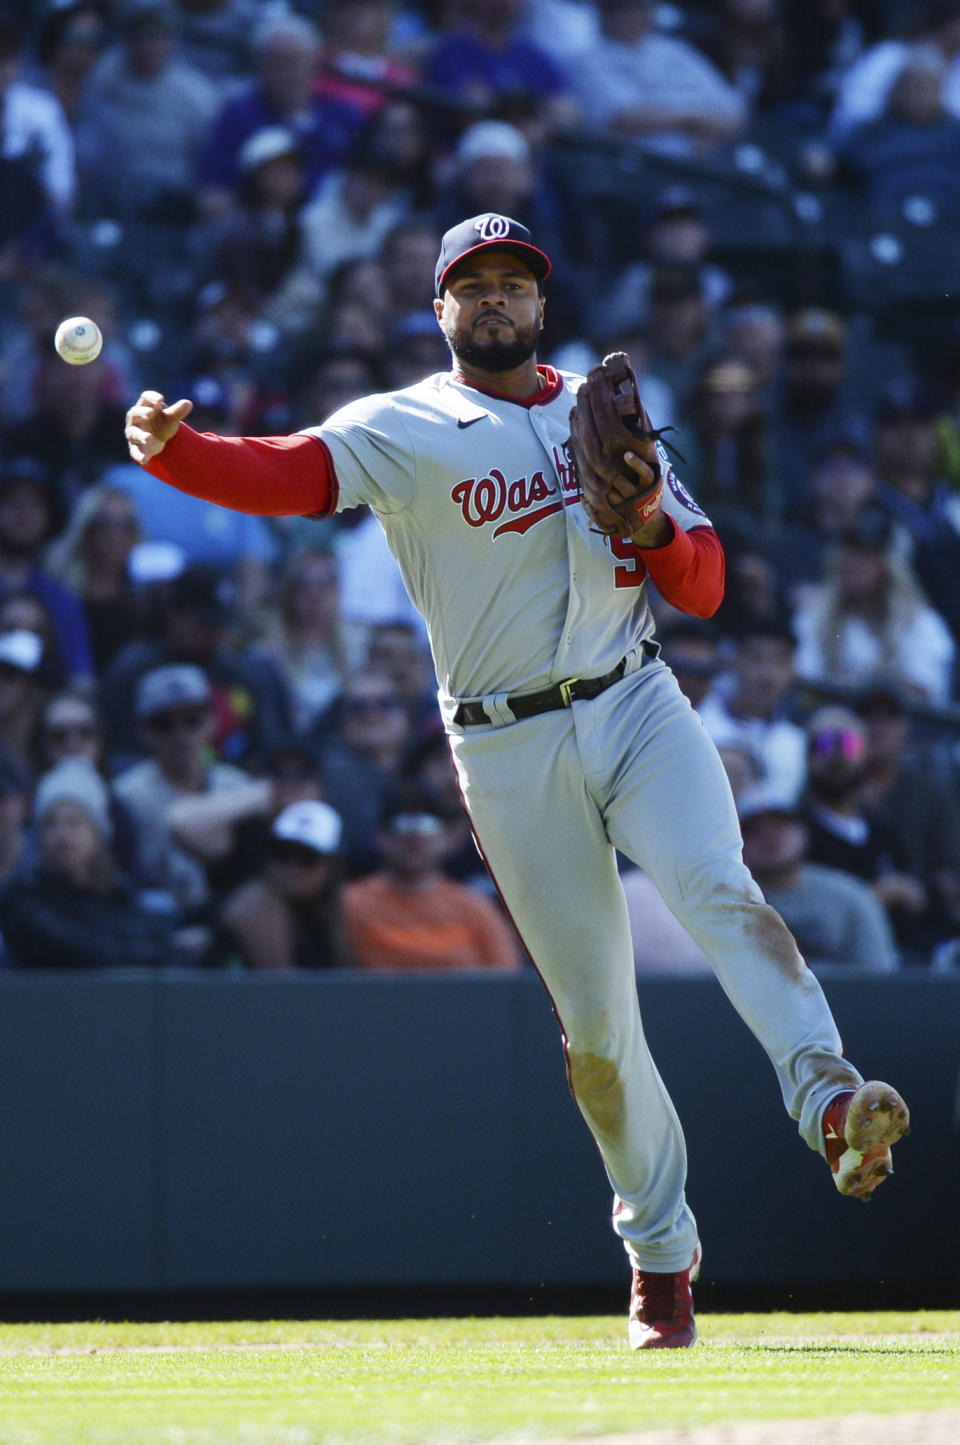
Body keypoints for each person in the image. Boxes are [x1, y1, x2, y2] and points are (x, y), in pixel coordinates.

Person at [124, 209, 910, 1350]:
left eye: (513, 281)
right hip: (504, 743)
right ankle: (661, 1255)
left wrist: (645, 518)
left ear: (541, 302)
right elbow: (291, 475)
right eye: (471, 283)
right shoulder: (404, 425)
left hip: (632, 696)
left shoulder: (605, 409)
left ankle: (830, 1101)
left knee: (719, 886)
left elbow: (704, 588)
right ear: (438, 308)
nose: (494, 297)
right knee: (595, 1030)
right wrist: (176, 453)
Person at [0, 756, 191, 970]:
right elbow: (85, 951)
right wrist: (166, 948)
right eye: (50, 823)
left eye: (74, 823)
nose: (62, 834)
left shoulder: (117, 892)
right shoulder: (23, 897)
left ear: (98, 833)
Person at [342, 784, 524, 972]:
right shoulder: (349, 905)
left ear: (447, 836)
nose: (414, 836)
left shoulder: (477, 909)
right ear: (380, 836)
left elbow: (507, 985)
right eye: (400, 824)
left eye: (427, 825)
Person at [738, 783, 899, 974]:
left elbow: (879, 975)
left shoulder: (851, 897)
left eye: (781, 825)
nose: (769, 836)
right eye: (754, 830)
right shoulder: (727, 900)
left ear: (804, 832)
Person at [217, 798, 352, 971]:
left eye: (307, 858)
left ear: (333, 865)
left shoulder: (331, 909)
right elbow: (285, 990)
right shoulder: (256, 904)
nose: (292, 868)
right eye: (281, 853)